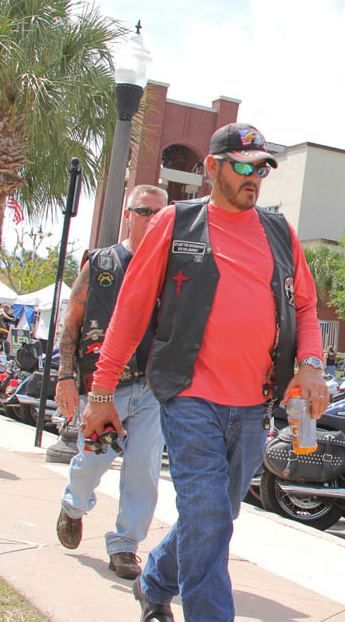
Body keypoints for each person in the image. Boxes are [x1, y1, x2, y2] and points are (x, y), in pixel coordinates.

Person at [83, 122, 327, 621]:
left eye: (261, 168)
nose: (253, 177)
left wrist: (312, 366)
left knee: (214, 516)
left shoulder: (280, 232)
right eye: (242, 166)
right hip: (189, 395)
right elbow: (129, 310)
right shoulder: (174, 223)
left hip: (254, 402)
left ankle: (154, 583)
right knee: (211, 517)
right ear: (212, 168)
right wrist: (101, 389)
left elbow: (305, 307)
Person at [54, 185, 169, 580]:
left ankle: (125, 545)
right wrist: (66, 376)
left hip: (154, 388)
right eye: (143, 212)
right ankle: (73, 505)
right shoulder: (101, 263)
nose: (151, 220)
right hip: (108, 387)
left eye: (159, 213)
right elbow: (72, 320)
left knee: (143, 470)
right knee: (94, 459)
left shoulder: (173, 269)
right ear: (126, 214)